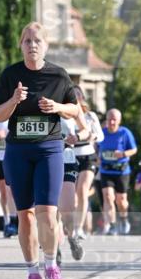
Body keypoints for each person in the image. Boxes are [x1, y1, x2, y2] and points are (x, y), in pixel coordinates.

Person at [0, 21, 80, 279]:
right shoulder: (10, 75)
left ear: (46, 46)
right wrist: (15, 100)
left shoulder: (58, 75)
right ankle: (32, 273)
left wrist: (57, 107)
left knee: (47, 213)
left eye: (37, 41)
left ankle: (52, 267)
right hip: (18, 152)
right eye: (27, 41)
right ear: (21, 45)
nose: (32, 45)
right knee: (25, 216)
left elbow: (75, 109)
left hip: (49, 150)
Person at [71, 86, 104, 241]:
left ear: (82, 97)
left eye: (78, 95)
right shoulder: (65, 115)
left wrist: (92, 136)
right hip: (70, 156)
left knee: (82, 190)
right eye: (72, 95)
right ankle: (70, 226)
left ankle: (79, 229)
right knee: (72, 195)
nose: (75, 98)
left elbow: (101, 136)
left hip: (87, 155)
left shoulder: (90, 116)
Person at [98, 109, 137, 235]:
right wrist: (97, 157)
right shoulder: (102, 133)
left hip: (122, 171)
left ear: (119, 120)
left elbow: (134, 149)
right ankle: (113, 225)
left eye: (115, 119)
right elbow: (95, 148)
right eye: (110, 119)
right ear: (106, 120)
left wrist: (123, 154)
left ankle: (124, 219)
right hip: (106, 170)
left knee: (121, 200)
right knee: (108, 197)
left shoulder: (125, 133)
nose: (112, 122)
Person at [60, 111, 90, 261]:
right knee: (48, 207)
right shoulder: (36, 97)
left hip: (66, 156)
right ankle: (54, 248)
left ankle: (72, 237)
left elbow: (86, 130)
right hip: (41, 156)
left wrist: (77, 137)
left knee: (67, 207)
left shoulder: (69, 101)